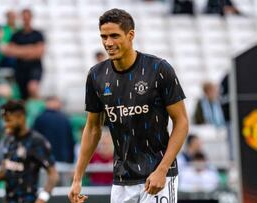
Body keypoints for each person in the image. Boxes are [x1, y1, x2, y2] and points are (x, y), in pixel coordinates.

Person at [68, 9, 189, 203]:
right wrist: (77, 178)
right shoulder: (96, 76)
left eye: (114, 36)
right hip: (122, 180)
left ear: (130, 35)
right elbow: (92, 128)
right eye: (104, 37)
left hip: (157, 177)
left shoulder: (159, 69)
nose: (108, 43)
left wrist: (163, 169)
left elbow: (181, 122)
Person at [0, 8, 45, 100]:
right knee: (22, 96)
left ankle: (40, 110)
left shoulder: (37, 34)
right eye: (24, 18)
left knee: (32, 88)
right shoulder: (16, 35)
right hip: (20, 69)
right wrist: (30, 50)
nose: (26, 20)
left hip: (34, 68)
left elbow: (39, 52)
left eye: (27, 18)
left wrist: (19, 51)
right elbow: (9, 51)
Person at [33, 96, 75, 163]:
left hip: (44, 161)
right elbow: (71, 142)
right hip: (63, 160)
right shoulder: (65, 119)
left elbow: (33, 140)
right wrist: (70, 161)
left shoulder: (40, 118)